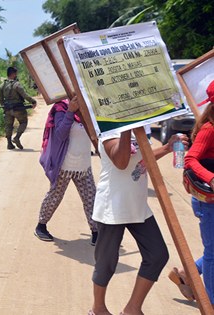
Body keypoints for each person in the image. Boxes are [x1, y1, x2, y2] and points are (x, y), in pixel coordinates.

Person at [89, 128, 188, 315]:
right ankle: (98, 309)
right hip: (113, 207)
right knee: (106, 261)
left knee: (157, 255)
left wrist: (167, 148)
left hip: (137, 206)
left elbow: (143, 160)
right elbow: (121, 162)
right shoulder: (109, 132)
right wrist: (127, 128)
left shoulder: (140, 131)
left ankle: (132, 309)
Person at [169, 80, 214, 304]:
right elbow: (189, 159)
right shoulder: (209, 129)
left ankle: (187, 275)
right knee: (213, 253)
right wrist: (211, 178)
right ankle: (211, 302)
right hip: (208, 201)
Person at [36, 96, 98, 244]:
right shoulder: (61, 108)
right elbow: (60, 134)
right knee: (55, 196)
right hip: (64, 165)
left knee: (91, 198)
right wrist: (70, 111)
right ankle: (41, 226)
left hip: (83, 165)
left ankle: (96, 231)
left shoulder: (88, 108)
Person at [0, 66, 37, 150]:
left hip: (7, 109)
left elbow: (1, 100)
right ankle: (17, 137)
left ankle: (9, 144)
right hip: (18, 109)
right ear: (13, 74)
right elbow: (25, 95)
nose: (16, 75)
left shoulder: (2, 85)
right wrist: (33, 101)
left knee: (8, 126)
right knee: (23, 122)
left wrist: (4, 108)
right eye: (16, 73)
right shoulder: (17, 84)